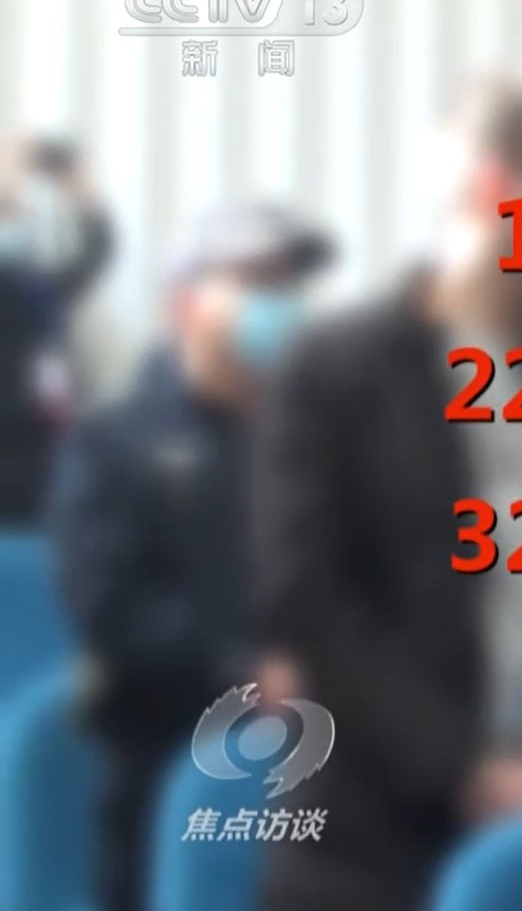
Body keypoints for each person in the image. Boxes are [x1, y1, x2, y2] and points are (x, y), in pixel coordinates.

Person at [253, 85, 522, 911]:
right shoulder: (340, 371)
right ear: (498, 187)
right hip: (384, 840)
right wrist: (464, 771)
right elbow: (309, 596)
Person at [46, 204, 330, 911]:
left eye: (288, 288)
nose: (279, 306)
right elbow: (107, 603)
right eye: (255, 283)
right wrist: (241, 670)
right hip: (170, 754)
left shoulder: (316, 448)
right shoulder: (114, 445)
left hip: (323, 769)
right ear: (184, 303)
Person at [0, 136, 114, 523]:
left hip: (38, 475)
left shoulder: (36, 292)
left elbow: (95, 252)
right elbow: (95, 252)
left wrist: (77, 184)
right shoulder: (34, 291)